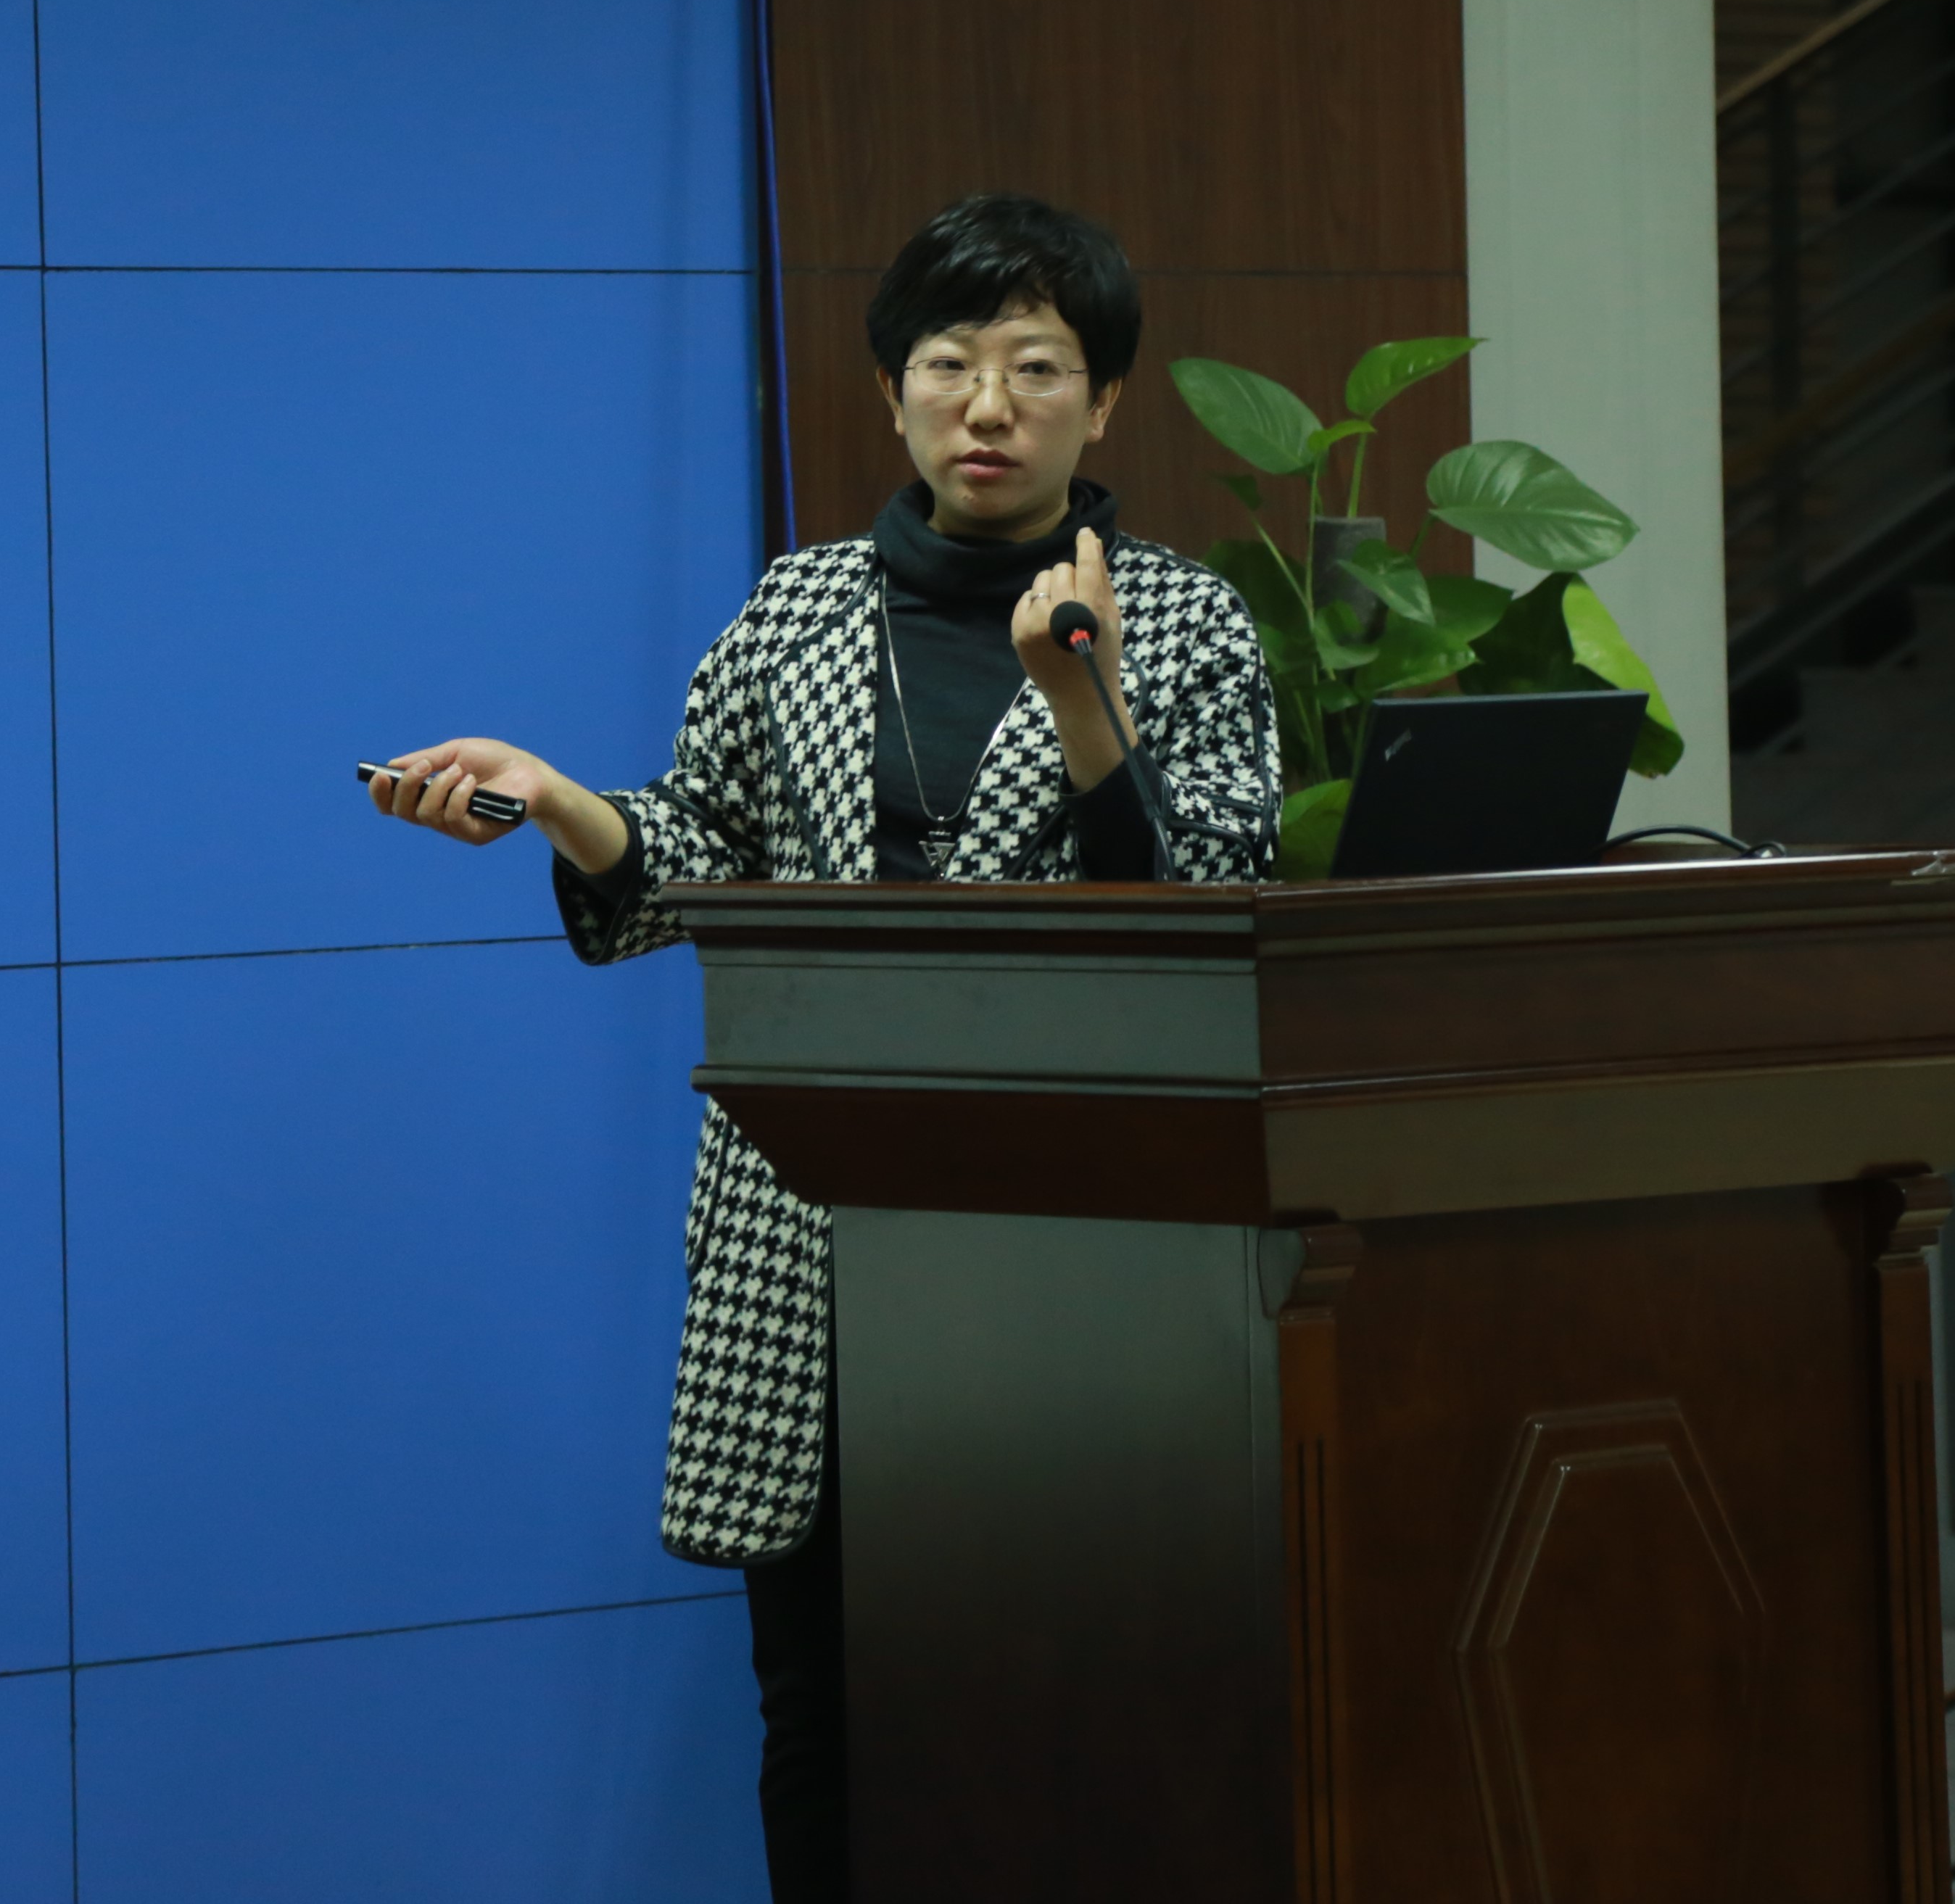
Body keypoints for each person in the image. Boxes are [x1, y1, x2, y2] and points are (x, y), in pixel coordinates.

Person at [361, 194, 1279, 1900]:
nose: (988, 406)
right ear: (892, 390)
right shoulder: (794, 614)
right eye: (949, 363)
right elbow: (688, 864)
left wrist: (1082, 702)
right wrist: (559, 800)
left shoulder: (1185, 619)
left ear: (1104, 403)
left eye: (1036, 368)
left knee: (1086, 1695)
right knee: (825, 1710)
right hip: (815, 1236)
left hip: (1077, 1243)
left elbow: (1207, 913)